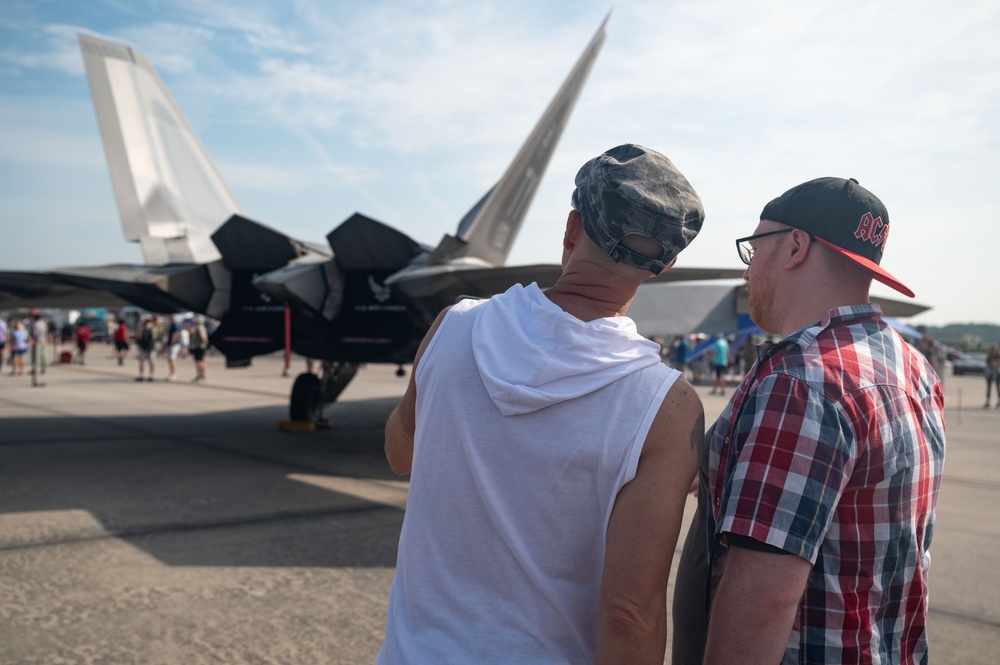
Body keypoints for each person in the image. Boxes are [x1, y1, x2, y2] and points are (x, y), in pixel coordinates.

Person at [376, 144, 706, 664]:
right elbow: (628, 614)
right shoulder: (664, 406)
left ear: (572, 228)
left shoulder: (453, 326)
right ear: (666, 263)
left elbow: (402, 454)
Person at [675, 177, 946, 665]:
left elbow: (762, 602)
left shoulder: (802, 384)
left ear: (795, 246)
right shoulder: (913, 366)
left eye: (753, 249)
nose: (748, 270)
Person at [135, 317, 157, 382]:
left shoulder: (152, 330)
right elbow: (138, 338)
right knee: (142, 361)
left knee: (151, 361)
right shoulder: (142, 330)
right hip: (143, 347)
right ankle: (141, 375)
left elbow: (153, 339)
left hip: (151, 348)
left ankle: (151, 375)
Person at [188, 316, 209, 382]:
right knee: (201, 361)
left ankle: (201, 376)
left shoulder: (199, 327)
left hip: (199, 347)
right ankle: (200, 375)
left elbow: (202, 337)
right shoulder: (202, 327)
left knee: (199, 362)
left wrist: (205, 342)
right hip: (201, 347)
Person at [165, 315, 181, 381]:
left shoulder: (175, 325)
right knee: (170, 359)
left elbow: (175, 334)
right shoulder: (171, 325)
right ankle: (171, 373)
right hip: (171, 344)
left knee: (172, 359)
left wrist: (172, 344)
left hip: (174, 345)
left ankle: (174, 374)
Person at [986, 343, 1000, 408]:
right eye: (993, 350)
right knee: (989, 387)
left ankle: (999, 401)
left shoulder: (998, 357)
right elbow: (987, 364)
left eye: (995, 350)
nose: (994, 351)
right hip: (990, 372)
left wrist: (996, 364)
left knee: (997, 387)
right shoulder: (989, 357)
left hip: (997, 372)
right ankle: (987, 401)